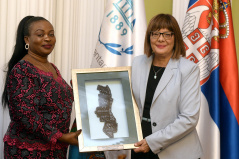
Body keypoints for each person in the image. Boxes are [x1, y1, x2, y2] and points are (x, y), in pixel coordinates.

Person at [2, 16, 81, 158]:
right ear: (27, 40)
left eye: (51, 34)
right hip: (29, 151)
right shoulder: (22, 69)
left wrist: (79, 91)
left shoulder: (52, 68)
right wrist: (61, 136)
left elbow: (55, 101)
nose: (47, 38)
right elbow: (25, 115)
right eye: (40, 34)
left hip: (55, 149)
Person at [131, 14, 203, 159]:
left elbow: (189, 118)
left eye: (167, 34)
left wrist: (152, 142)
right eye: (155, 33)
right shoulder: (138, 63)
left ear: (175, 38)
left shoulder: (188, 69)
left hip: (176, 152)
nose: (161, 39)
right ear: (149, 37)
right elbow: (127, 103)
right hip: (139, 147)